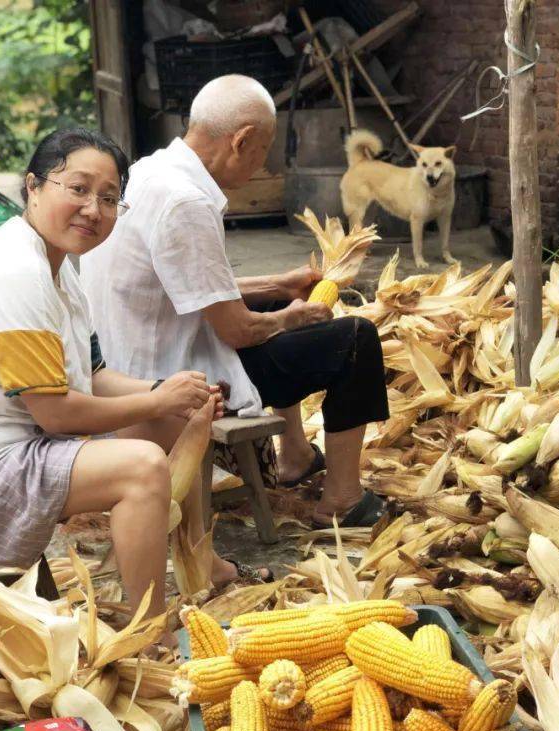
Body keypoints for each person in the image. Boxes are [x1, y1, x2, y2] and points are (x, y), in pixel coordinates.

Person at [0, 127, 257, 619]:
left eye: (109, 198)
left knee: (178, 420)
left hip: (11, 442)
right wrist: (155, 399)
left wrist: (168, 394)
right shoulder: (14, 274)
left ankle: (201, 562)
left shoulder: (58, 268)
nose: (94, 209)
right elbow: (58, 413)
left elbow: (94, 374)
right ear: (33, 187)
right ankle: (151, 631)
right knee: (143, 468)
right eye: (78, 189)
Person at [82, 75, 390, 528]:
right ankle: (342, 499)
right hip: (166, 378)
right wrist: (296, 314)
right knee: (355, 340)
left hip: (126, 358)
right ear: (242, 141)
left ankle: (296, 455)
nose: (263, 165)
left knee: (276, 312)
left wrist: (279, 285)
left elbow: (189, 284)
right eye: (263, 150)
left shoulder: (151, 172)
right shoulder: (187, 202)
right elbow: (236, 329)